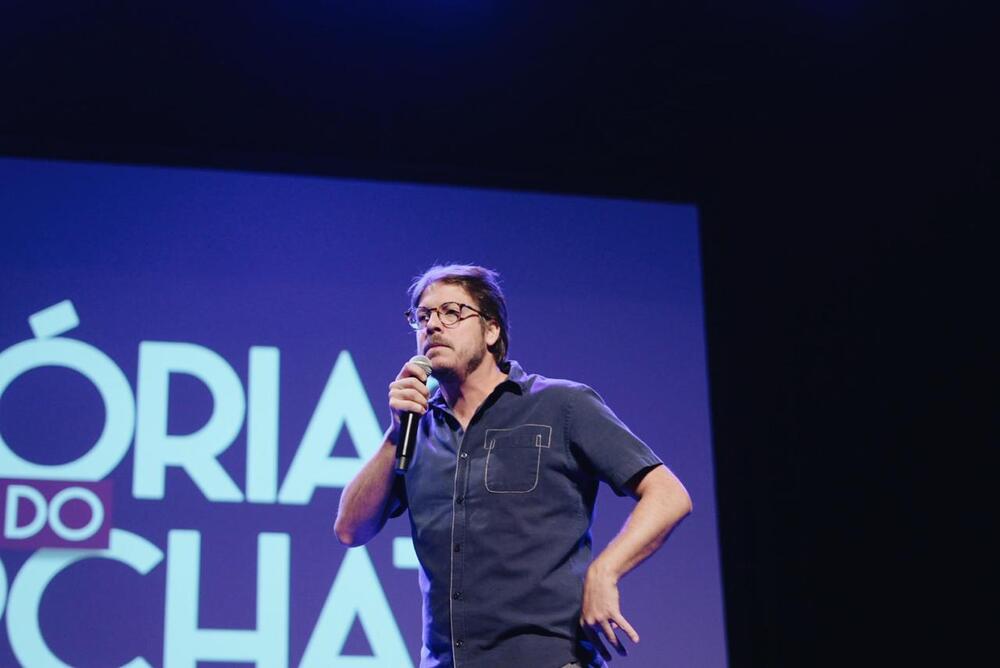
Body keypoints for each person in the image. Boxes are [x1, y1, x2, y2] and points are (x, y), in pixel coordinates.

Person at [335, 264, 692, 668]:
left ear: (491, 330)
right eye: (423, 316)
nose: (433, 325)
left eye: (451, 312)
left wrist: (605, 571)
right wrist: (395, 431)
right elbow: (350, 529)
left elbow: (668, 494)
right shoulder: (416, 430)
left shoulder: (561, 405)